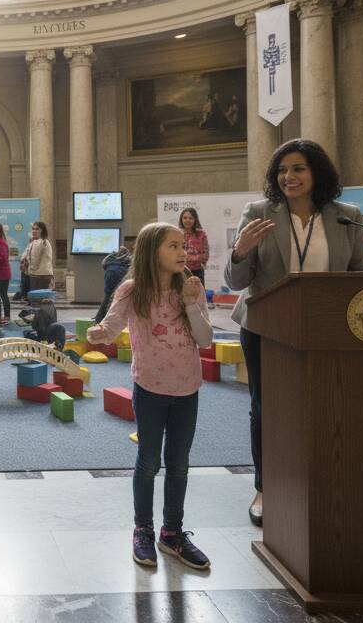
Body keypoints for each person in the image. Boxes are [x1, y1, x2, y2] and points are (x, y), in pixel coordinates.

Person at [224, 138, 363, 527]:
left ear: (317, 173)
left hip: (329, 328)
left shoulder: (346, 216)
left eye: (298, 168)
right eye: (282, 170)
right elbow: (237, 279)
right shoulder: (259, 212)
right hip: (266, 327)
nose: (288, 177)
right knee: (266, 409)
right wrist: (239, 250)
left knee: (328, 406)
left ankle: (326, 481)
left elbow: (362, 275)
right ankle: (265, 487)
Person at [87, 221, 213, 571]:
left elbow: (205, 340)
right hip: (150, 390)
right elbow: (111, 326)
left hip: (188, 389)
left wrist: (190, 303)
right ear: (150, 250)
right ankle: (142, 529)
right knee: (148, 463)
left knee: (179, 464)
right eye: (172, 246)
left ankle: (172, 533)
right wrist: (98, 334)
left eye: (182, 245)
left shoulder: (190, 287)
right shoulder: (132, 290)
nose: (181, 251)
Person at [95, 246, 132, 323]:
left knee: (108, 299)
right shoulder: (125, 260)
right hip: (120, 280)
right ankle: (102, 320)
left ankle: (100, 321)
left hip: (112, 275)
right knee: (114, 301)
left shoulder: (111, 260)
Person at [179, 208, 209, 283]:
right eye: (185, 218)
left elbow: (205, 256)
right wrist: (197, 257)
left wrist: (188, 257)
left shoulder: (201, 234)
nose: (187, 220)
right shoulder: (177, 234)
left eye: (190, 218)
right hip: (181, 271)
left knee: (199, 294)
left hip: (197, 271)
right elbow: (176, 254)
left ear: (195, 219)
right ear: (181, 219)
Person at [26, 221, 54, 292]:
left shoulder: (40, 242)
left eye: (37, 229)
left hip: (39, 276)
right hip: (43, 275)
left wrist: (30, 270)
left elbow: (34, 260)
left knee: (37, 300)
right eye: (33, 229)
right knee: (43, 300)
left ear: (42, 230)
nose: (34, 231)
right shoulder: (41, 241)